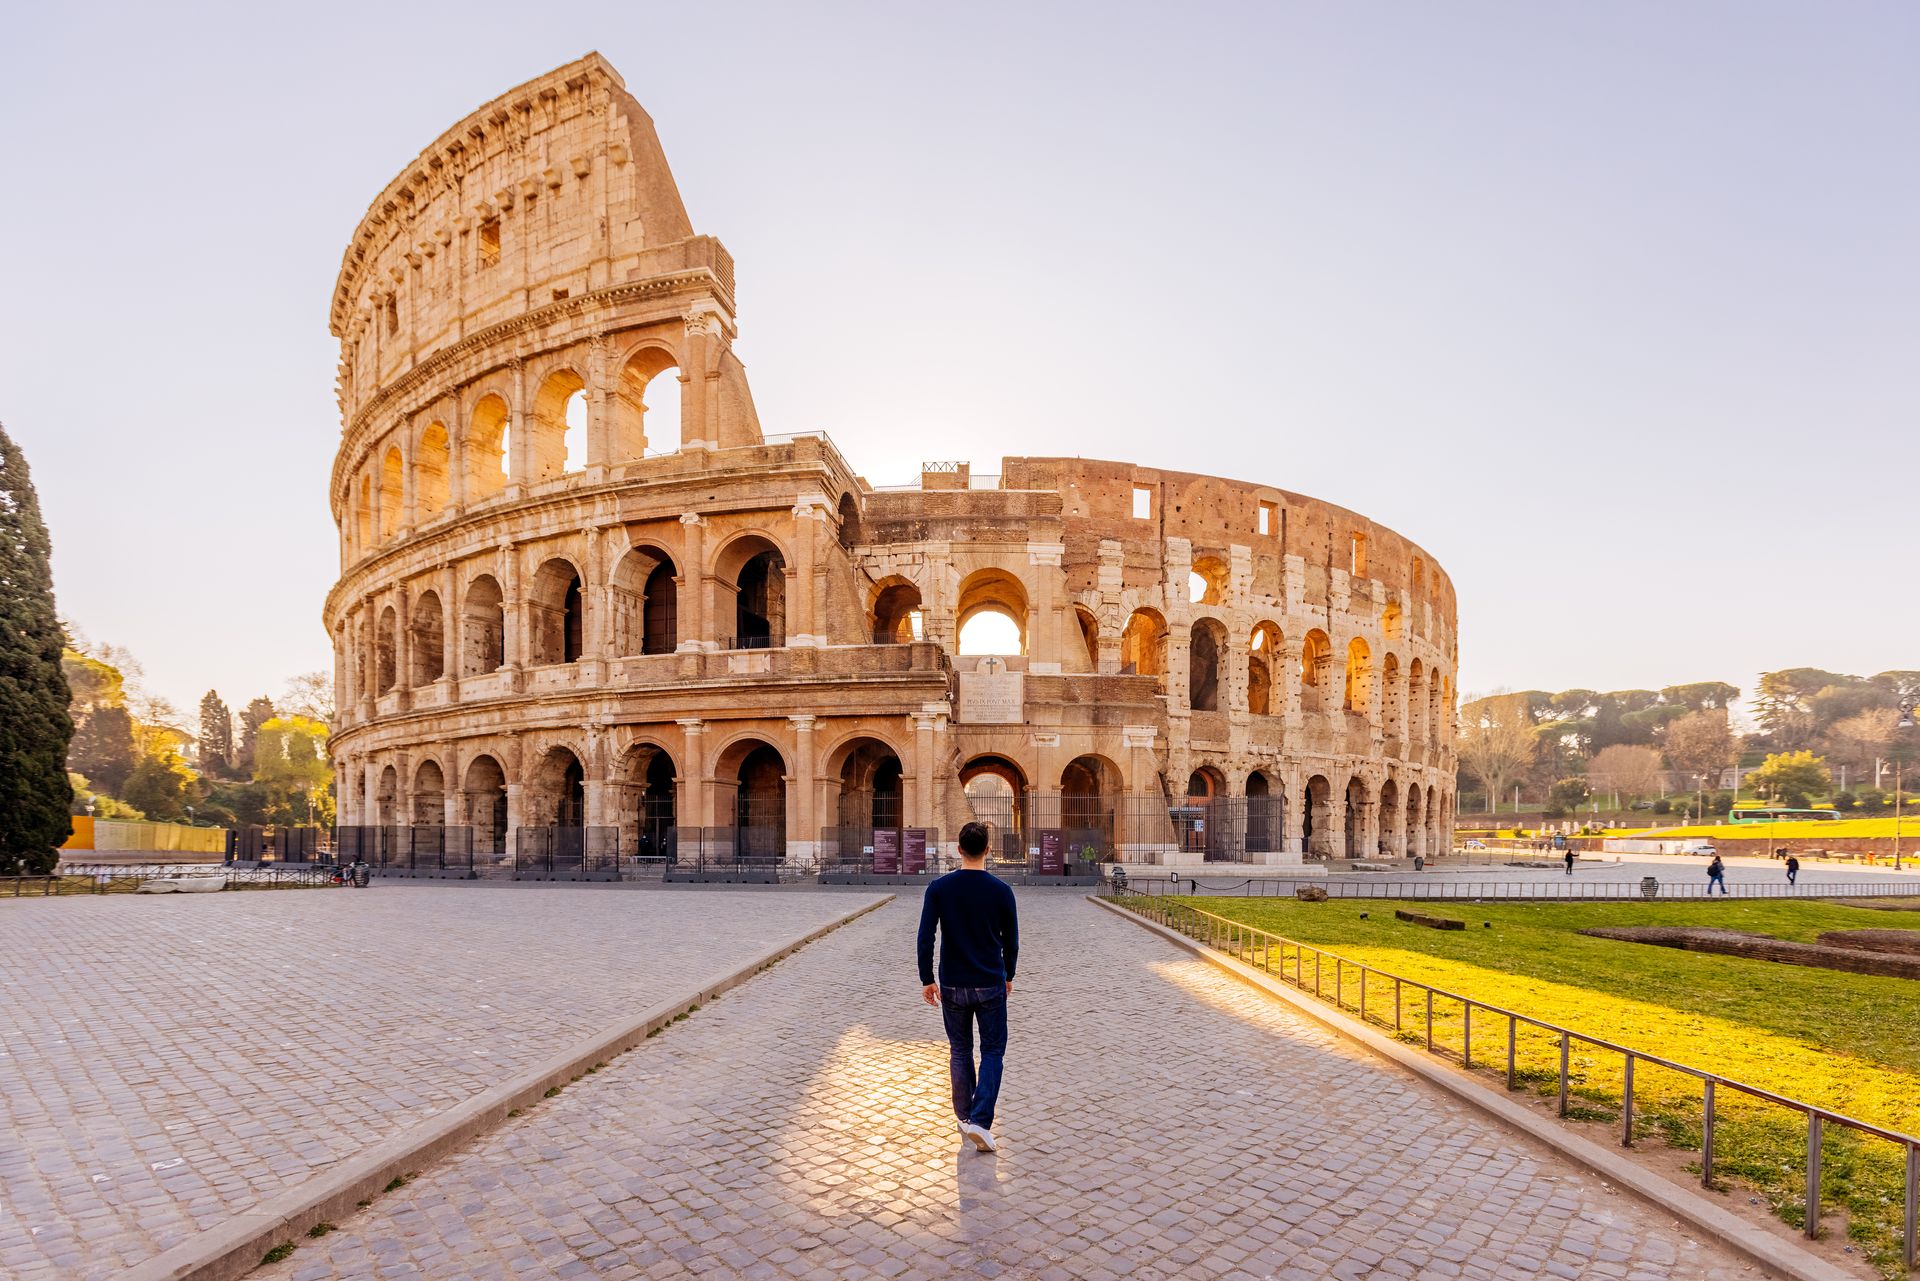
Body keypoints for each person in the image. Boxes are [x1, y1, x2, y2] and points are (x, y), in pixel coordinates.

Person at [918, 821, 1019, 1153]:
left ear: (958, 849)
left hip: (953, 983)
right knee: (992, 1051)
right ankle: (979, 1120)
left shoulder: (939, 888)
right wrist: (1009, 974)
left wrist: (927, 979)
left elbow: (925, 937)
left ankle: (966, 1118)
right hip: (989, 981)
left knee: (960, 1051)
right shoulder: (1001, 891)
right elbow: (1012, 942)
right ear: (988, 850)